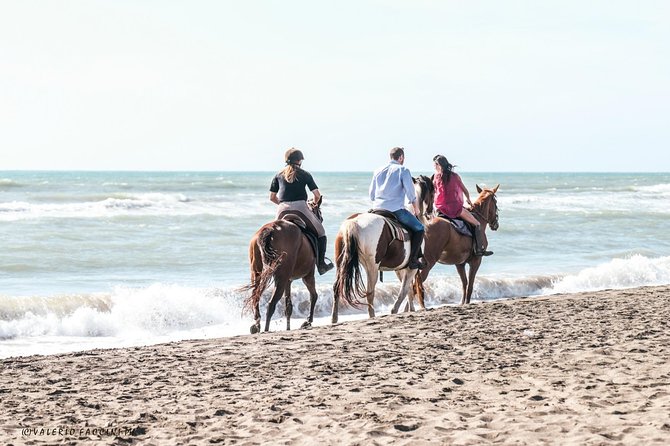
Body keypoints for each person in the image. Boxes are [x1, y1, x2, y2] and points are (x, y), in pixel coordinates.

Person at [269, 148, 334, 274]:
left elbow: (272, 197)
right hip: (300, 208)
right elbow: (317, 195)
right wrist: (314, 204)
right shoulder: (305, 174)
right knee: (321, 232)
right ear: (299, 161)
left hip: (282, 209)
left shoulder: (277, 175)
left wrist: (283, 204)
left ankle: (271, 264)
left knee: (272, 235)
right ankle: (321, 264)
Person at [369, 147, 426, 269]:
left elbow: (371, 195)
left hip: (376, 209)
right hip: (395, 210)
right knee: (420, 228)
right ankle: (413, 260)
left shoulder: (378, 170)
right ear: (400, 157)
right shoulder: (403, 170)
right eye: (403, 158)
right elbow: (411, 194)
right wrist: (416, 209)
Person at [432, 154, 493, 256]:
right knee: (477, 224)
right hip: (455, 209)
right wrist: (469, 200)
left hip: (440, 208)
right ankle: (479, 249)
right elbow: (465, 191)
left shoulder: (435, 177)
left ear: (439, 165)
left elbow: (434, 192)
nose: (434, 167)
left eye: (435, 165)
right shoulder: (455, 176)